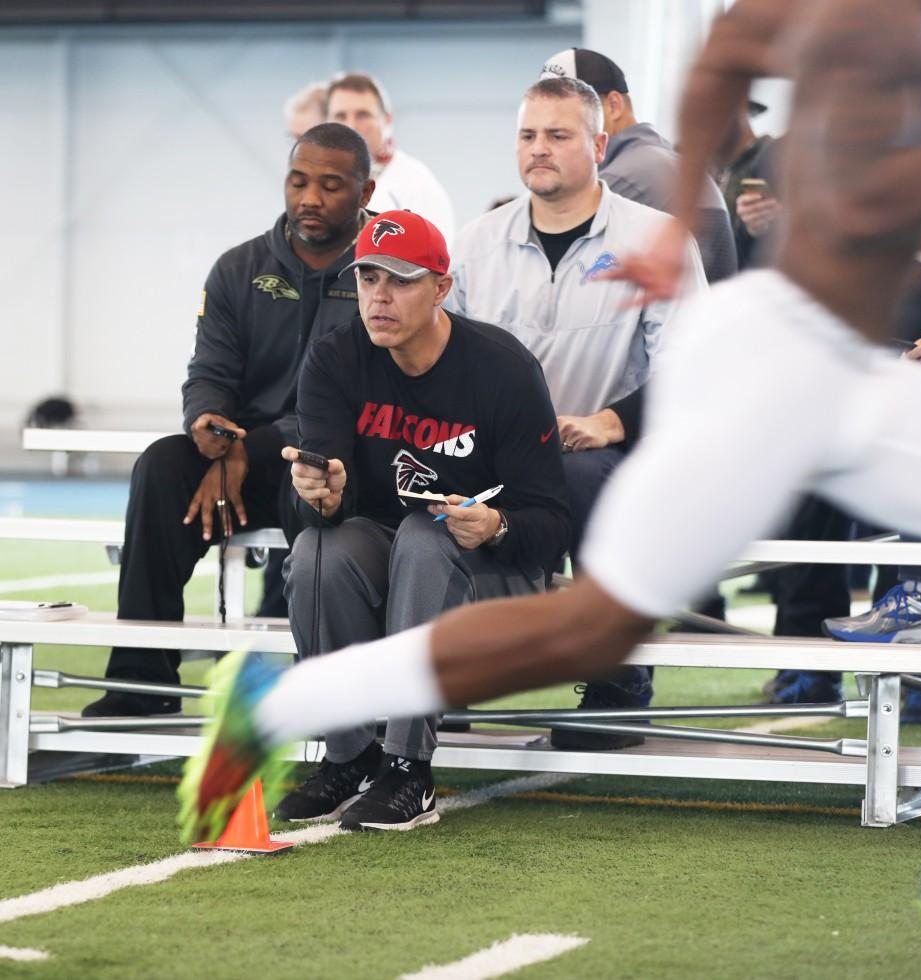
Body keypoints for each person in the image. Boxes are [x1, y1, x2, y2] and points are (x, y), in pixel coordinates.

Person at [182, 1, 921, 943]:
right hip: (803, 367)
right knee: (582, 614)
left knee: (587, 627)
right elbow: (751, 77)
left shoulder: (893, 43)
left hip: (780, 357)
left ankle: (277, 704)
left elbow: (728, 63)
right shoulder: (881, 36)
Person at [272, 209, 570, 830]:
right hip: (394, 567)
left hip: (497, 572)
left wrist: (496, 526)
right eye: (368, 279)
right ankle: (350, 756)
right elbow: (324, 502)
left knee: (424, 536)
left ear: (442, 288)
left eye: (401, 281)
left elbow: (552, 524)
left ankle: (409, 768)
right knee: (314, 550)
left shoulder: (502, 368)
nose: (379, 297)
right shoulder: (334, 360)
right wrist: (319, 497)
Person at [447, 75, 706, 749]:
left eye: (558, 136)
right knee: (429, 486)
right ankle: (448, 677)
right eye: (528, 135)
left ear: (597, 143)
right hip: (496, 450)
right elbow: (441, 357)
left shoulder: (658, 241)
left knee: (591, 479)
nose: (539, 149)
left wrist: (609, 422)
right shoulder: (474, 243)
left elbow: (691, 368)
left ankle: (617, 686)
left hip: (609, 445)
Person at [82, 123, 374, 717]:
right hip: (237, 459)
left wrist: (255, 452)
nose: (309, 198)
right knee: (163, 466)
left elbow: (349, 402)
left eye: (330, 185)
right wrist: (209, 424)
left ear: (365, 193)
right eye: (297, 181)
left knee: (315, 486)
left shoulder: (380, 276)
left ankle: (323, 695)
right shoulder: (238, 269)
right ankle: (141, 680)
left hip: (333, 462)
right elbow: (210, 368)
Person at [540, 47, 736, 284]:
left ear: (613, 106)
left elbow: (558, 281)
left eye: (571, 110)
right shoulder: (654, 159)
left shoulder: (623, 179)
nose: (553, 124)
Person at [327, 72, 455, 242]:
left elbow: (440, 255)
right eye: (340, 116)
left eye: (362, 115)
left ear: (387, 120)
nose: (351, 126)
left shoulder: (415, 183)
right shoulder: (322, 184)